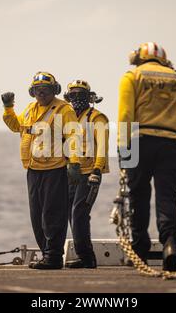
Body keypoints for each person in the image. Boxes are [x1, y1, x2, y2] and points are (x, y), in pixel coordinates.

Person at [118, 42, 176, 272]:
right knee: (167, 197)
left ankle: (140, 252)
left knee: (138, 197)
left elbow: (125, 115)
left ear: (140, 57)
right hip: (171, 146)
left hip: (139, 143)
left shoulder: (132, 76)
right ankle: (170, 245)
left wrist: (124, 150)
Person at [1, 72, 81, 270]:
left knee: (53, 214)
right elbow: (16, 126)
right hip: (33, 169)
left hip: (55, 169)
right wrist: (8, 108)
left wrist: (74, 163)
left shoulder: (64, 109)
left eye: (46, 89)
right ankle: (47, 254)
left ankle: (53, 256)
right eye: (38, 89)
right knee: (37, 215)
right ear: (32, 92)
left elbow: (73, 136)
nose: (41, 92)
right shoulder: (30, 109)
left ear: (55, 90)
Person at [63, 80, 110, 269]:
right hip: (71, 173)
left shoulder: (97, 118)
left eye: (80, 95)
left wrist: (97, 170)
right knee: (70, 213)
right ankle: (84, 256)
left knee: (79, 212)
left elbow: (102, 147)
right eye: (72, 95)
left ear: (89, 97)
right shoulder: (68, 118)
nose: (76, 99)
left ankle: (87, 257)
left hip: (90, 173)